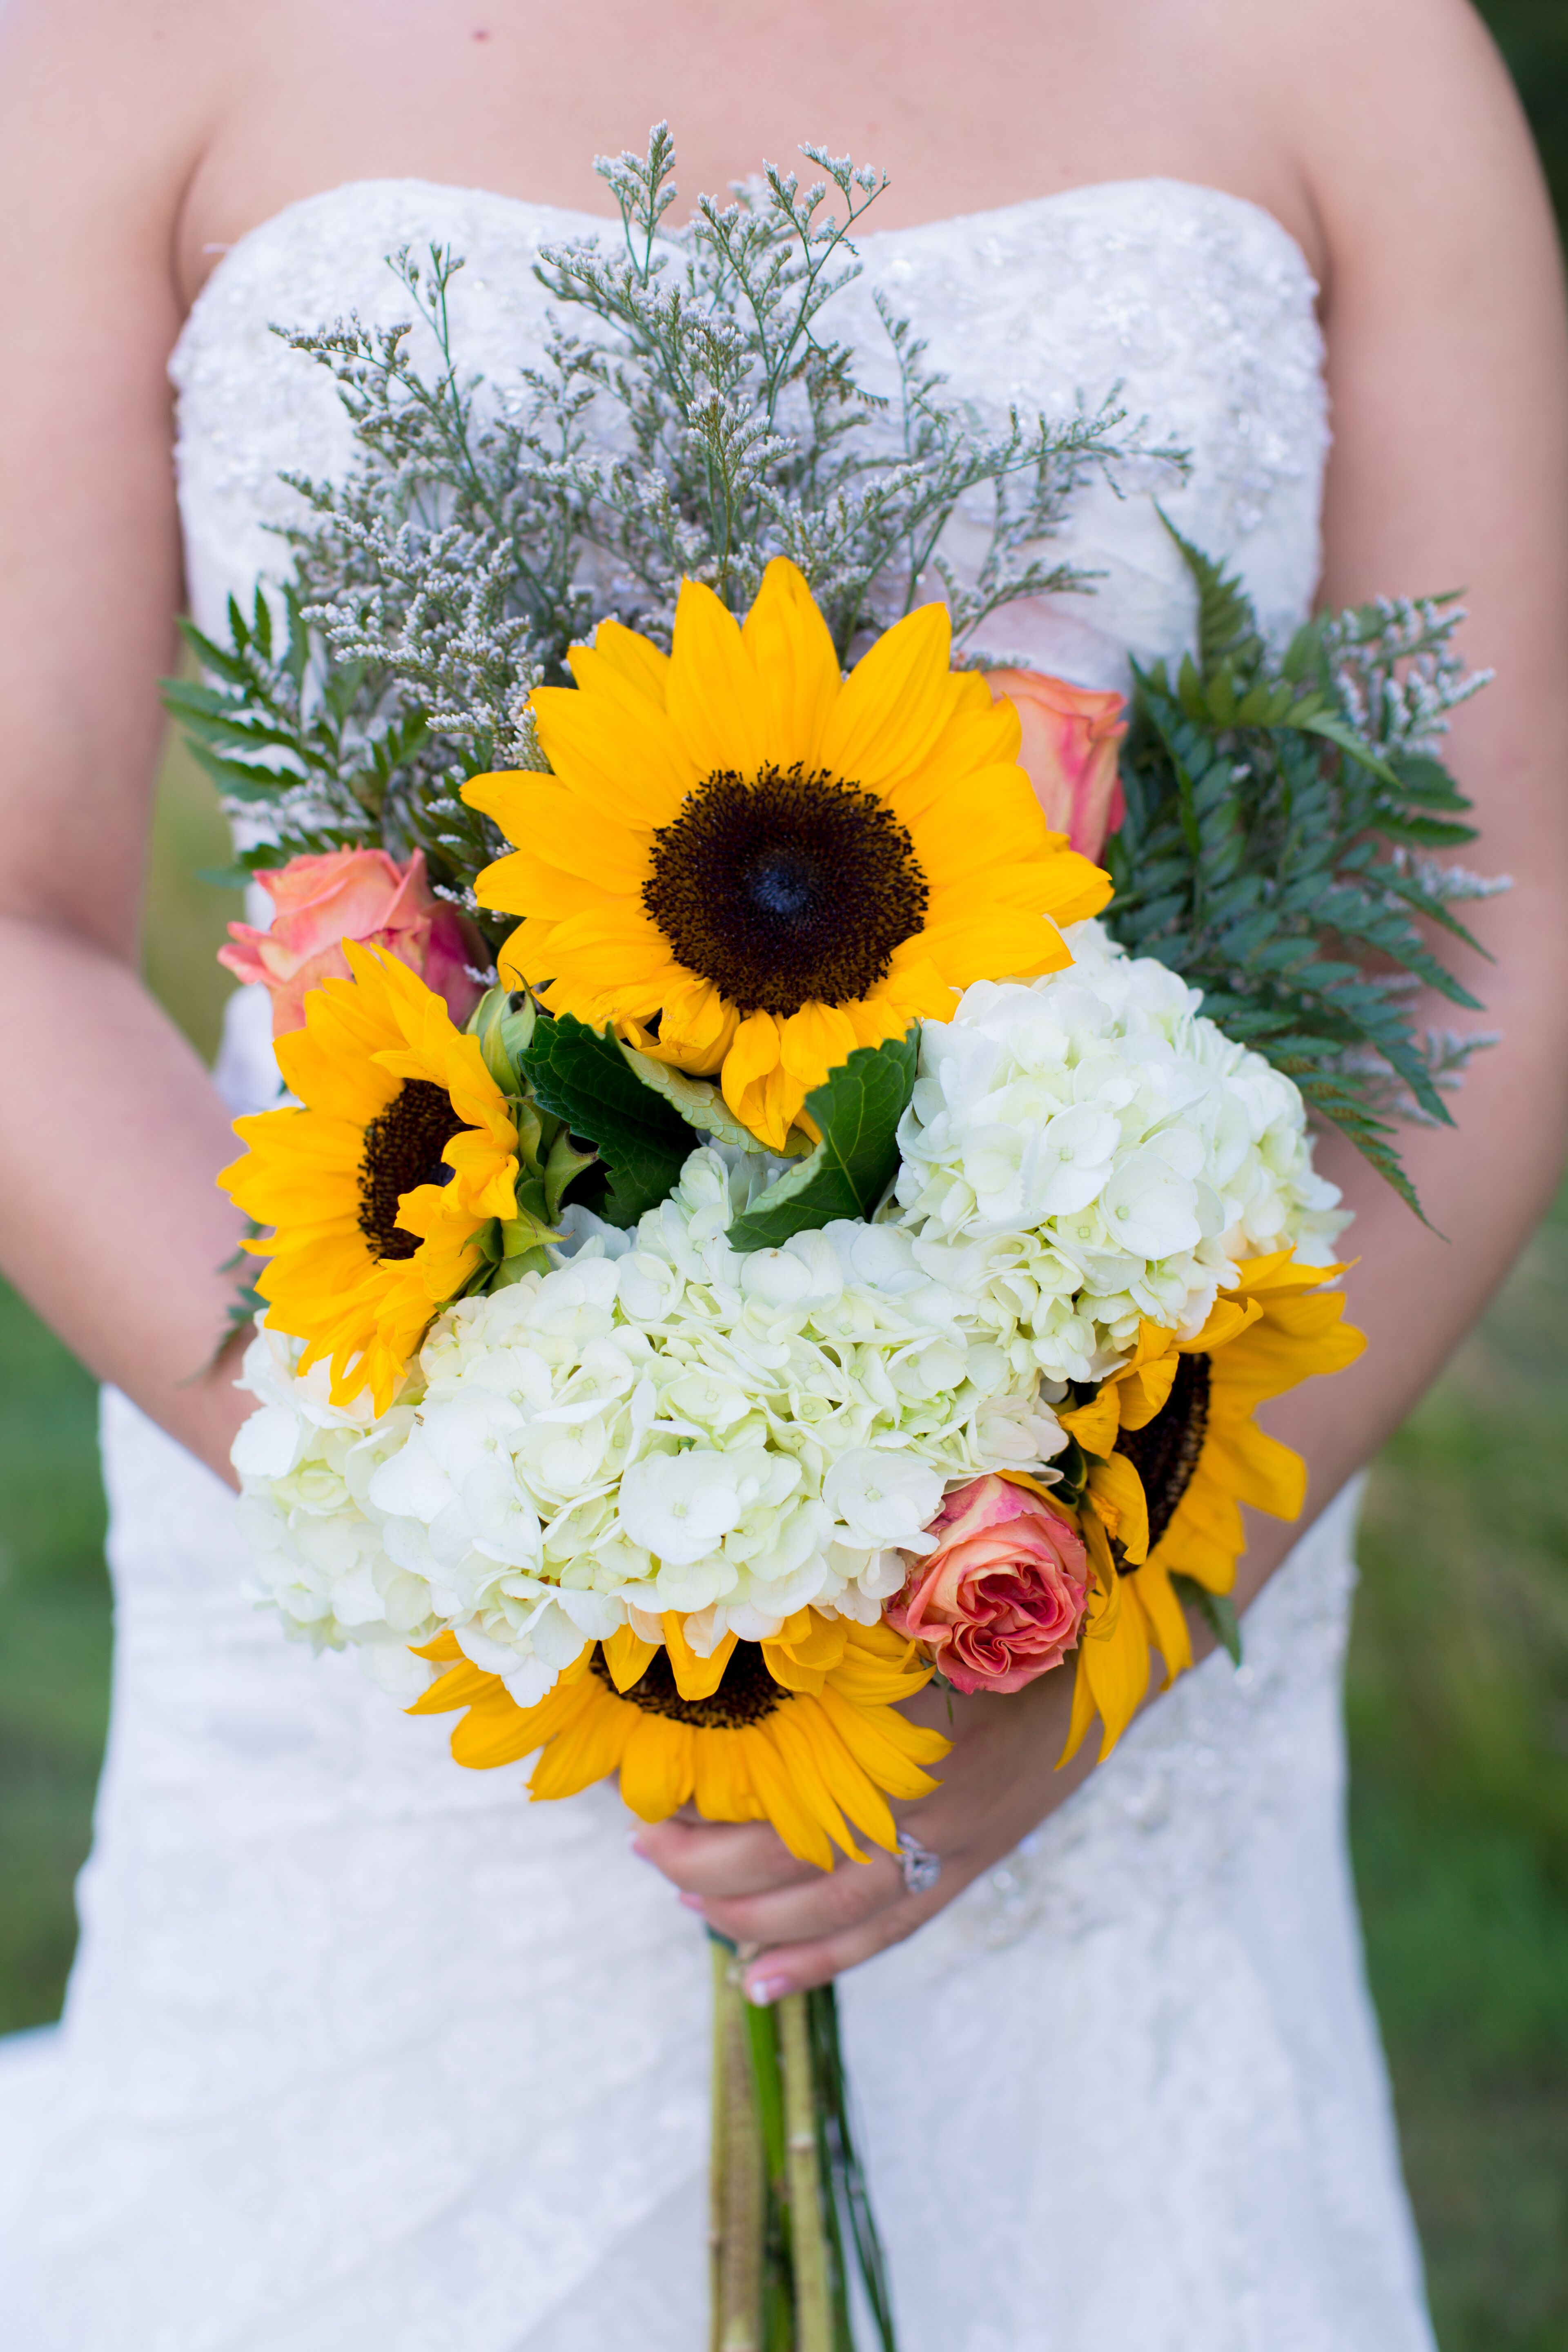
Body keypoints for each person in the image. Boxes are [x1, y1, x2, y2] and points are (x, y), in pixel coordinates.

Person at [0, 1, 1565, 2344]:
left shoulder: (1358, 46)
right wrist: (502, 1526)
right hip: (395, 1659)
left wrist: (1096, 1609)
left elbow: (1497, 905)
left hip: (1113, 1655)